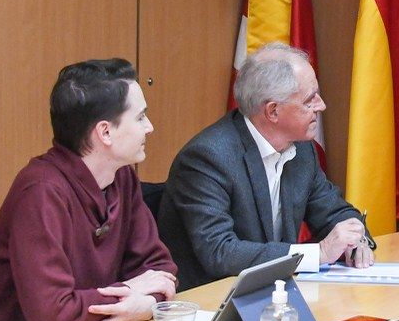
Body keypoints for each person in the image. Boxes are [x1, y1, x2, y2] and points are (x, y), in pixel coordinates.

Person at [0, 59, 178, 321]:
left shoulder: (121, 176)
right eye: (140, 118)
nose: (150, 127)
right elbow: (51, 315)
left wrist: (146, 303)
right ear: (105, 132)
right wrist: (129, 297)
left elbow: (160, 271)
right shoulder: (41, 191)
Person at [159, 43, 373, 290]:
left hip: (273, 296)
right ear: (273, 111)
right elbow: (220, 252)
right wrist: (320, 253)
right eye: (309, 100)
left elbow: (334, 212)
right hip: (212, 301)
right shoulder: (207, 158)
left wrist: (355, 241)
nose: (321, 105)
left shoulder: (302, 150)